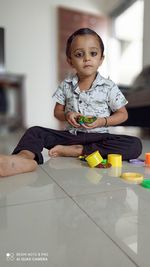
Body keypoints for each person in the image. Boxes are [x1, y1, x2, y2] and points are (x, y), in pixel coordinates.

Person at [0, 28, 142, 177]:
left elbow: (123, 114)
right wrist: (67, 115)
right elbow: (57, 113)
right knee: (35, 131)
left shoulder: (109, 86)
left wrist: (102, 121)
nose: (87, 58)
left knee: (134, 144)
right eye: (79, 54)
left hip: (99, 137)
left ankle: (78, 150)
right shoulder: (66, 85)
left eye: (93, 53)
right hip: (70, 136)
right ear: (70, 61)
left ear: (101, 59)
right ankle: (23, 158)